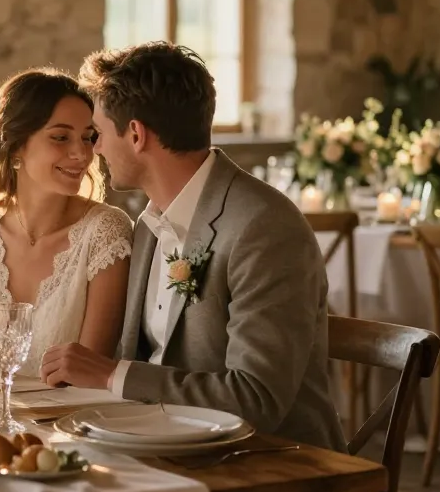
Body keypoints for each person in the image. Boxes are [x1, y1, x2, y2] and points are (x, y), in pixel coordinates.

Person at [39, 43, 346, 452]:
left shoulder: (263, 227)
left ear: (135, 134)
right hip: (153, 445)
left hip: (267, 464)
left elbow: (257, 400)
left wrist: (113, 375)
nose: (93, 149)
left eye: (97, 134)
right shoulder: (149, 224)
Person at [0, 68, 132, 376]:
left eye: (88, 137)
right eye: (60, 137)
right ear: (16, 145)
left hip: (67, 418)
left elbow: (89, 371)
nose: (81, 153)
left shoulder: (105, 232)